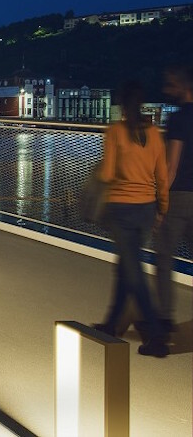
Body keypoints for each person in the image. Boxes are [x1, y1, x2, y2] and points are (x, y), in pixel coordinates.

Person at [93, 80, 169, 357]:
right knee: (126, 266)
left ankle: (156, 335)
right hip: (146, 208)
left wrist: (99, 174)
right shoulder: (154, 133)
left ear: (123, 105)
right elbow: (161, 174)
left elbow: (108, 174)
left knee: (133, 271)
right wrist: (162, 207)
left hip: (122, 209)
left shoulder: (116, 132)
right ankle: (111, 324)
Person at [155, 65, 193, 334]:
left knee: (165, 257)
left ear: (183, 86)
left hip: (179, 196)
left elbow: (172, 166)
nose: (167, 90)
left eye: (171, 84)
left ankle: (165, 318)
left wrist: (161, 202)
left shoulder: (178, 119)